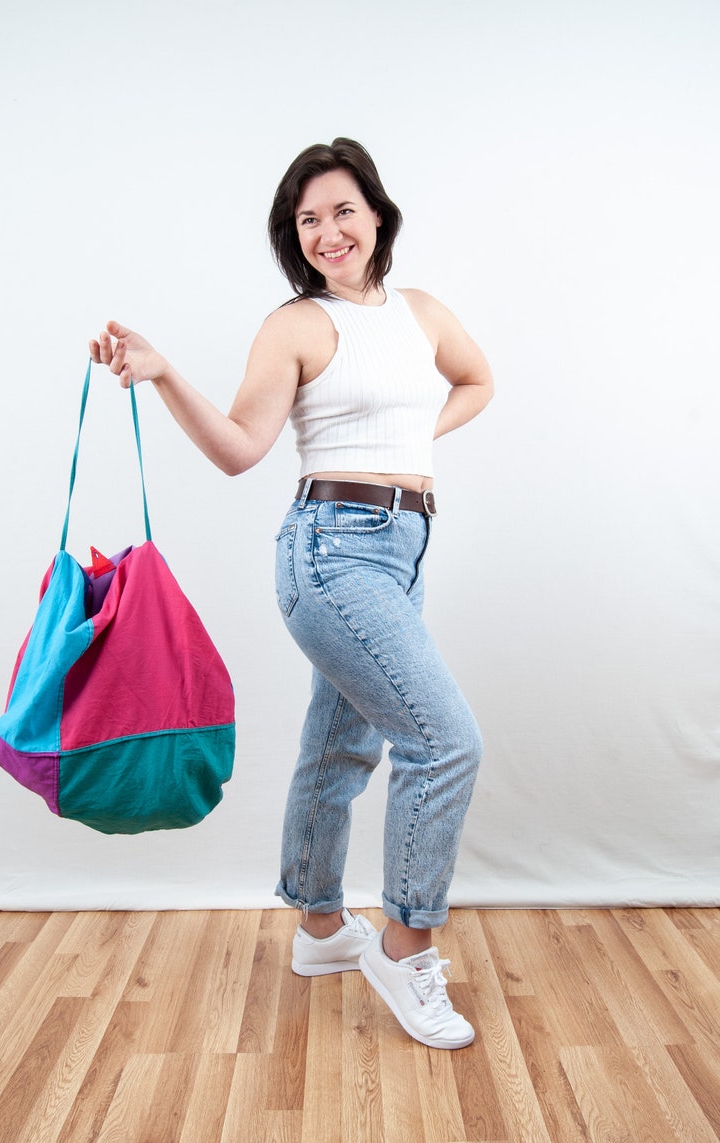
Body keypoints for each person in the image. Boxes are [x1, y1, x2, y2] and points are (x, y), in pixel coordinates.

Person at [90, 137, 493, 1050]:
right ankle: (405, 944)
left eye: (342, 210)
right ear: (296, 235)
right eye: (308, 219)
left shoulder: (422, 312)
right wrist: (161, 373)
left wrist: (416, 438)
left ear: (377, 214)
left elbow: (478, 380)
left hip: (405, 546)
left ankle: (319, 928)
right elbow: (240, 448)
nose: (328, 231)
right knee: (443, 740)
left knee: (341, 740)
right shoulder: (296, 325)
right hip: (330, 553)